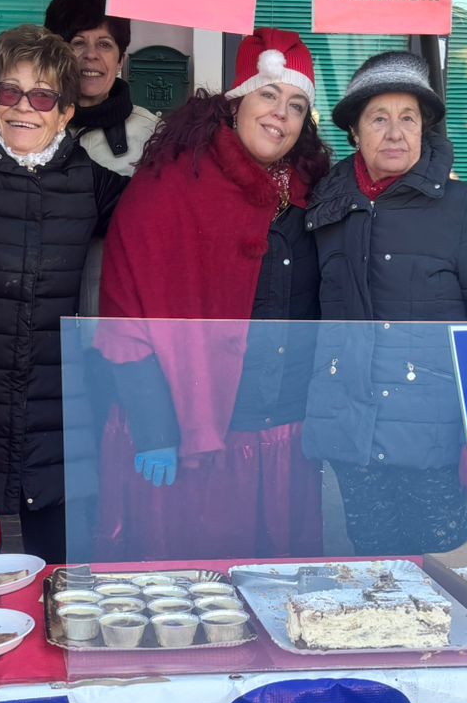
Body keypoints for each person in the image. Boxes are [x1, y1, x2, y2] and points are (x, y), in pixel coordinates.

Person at [94, 29, 330, 561]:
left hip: (283, 437)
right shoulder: (172, 184)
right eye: (268, 94)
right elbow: (125, 317)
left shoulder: (314, 191)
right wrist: (154, 428)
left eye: (296, 104)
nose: (281, 114)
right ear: (237, 100)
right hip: (193, 435)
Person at [305, 49, 467, 557]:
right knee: (371, 576)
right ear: (355, 134)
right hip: (350, 435)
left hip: (433, 439)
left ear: (425, 130)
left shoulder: (465, 208)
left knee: (443, 573)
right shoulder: (326, 209)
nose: (395, 132)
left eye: (409, 118)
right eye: (378, 118)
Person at [0, 24, 125, 563]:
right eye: (10, 92)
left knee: (57, 585)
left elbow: (171, 209)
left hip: (55, 422)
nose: (24, 109)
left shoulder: (89, 180)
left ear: (65, 113)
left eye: (42, 97)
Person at [45, 0, 160, 180]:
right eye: (78, 43)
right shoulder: (27, 119)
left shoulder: (153, 135)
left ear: (120, 61)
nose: (91, 55)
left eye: (104, 45)